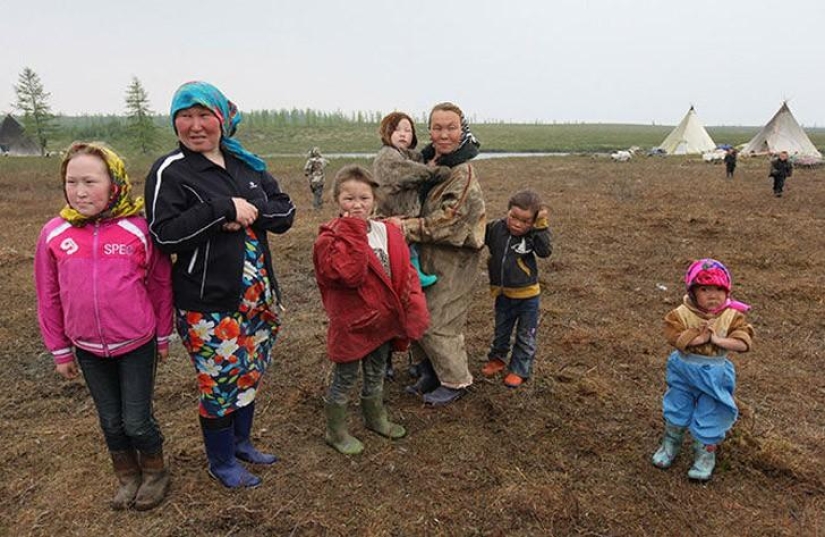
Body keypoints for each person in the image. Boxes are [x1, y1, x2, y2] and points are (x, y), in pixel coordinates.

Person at [145, 81, 296, 489]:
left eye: (204, 116)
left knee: (249, 372)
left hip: (259, 297)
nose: (195, 126)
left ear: (222, 120)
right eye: (185, 116)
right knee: (219, 382)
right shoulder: (170, 170)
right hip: (208, 303)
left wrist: (247, 211)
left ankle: (241, 443)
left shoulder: (246, 164)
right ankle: (222, 461)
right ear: (174, 122)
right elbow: (163, 234)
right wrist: (221, 210)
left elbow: (285, 213)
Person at [34, 142, 174, 511]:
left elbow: (160, 285)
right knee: (111, 421)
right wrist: (60, 349)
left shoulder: (139, 230)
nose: (80, 192)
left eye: (90, 182)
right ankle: (127, 476)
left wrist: (163, 334)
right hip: (87, 348)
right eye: (72, 182)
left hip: (137, 343)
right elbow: (48, 295)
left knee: (137, 420)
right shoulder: (53, 233)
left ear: (114, 183)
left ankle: (155, 472)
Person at [313, 165, 429, 454]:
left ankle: (375, 417)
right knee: (345, 376)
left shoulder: (386, 231)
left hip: (383, 320)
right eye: (349, 198)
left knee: (376, 371)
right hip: (353, 323)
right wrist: (353, 230)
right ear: (337, 199)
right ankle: (335, 431)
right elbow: (349, 275)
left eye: (364, 198)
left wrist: (413, 307)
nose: (357, 205)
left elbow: (404, 271)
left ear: (374, 200)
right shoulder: (329, 239)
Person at [390, 102, 486, 406]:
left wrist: (406, 227)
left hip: (454, 259)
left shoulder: (462, 173)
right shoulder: (429, 164)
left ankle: (455, 380)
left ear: (462, 131)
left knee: (441, 320)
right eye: (437, 128)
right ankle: (430, 371)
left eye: (451, 128)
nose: (444, 135)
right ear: (429, 130)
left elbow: (452, 220)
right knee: (419, 312)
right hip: (425, 253)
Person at [652, 259, 754, 481]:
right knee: (677, 405)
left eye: (719, 289)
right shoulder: (681, 313)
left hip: (715, 372)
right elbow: (673, 335)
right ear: (693, 291)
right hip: (684, 368)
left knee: (711, 411)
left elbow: (744, 342)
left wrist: (718, 340)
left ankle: (705, 455)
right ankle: (670, 442)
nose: (712, 295)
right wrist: (697, 338)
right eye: (705, 290)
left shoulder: (732, 316)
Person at [480, 189, 552, 388]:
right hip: (503, 294)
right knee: (501, 330)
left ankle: (519, 369)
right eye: (513, 217)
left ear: (533, 221)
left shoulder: (533, 235)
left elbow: (545, 251)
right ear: (508, 211)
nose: (517, 224)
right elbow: (477, 237)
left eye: (525, 221)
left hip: (528, 296)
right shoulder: (495, 228)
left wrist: (540, 226)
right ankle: (497, 359)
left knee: (525, 334)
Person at [373, 111, 451, 289]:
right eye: (397, 130)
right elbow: (410, 171)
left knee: (408, 246)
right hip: (391, 212)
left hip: (401, 213)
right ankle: (413, 276)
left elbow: (415, 160)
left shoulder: (402, 154)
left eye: (408, 131)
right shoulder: (387, 156)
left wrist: (430, 154)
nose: (403, 134)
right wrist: (438, 172)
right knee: (402, 247)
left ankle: (411, 276)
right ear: (387, 132)